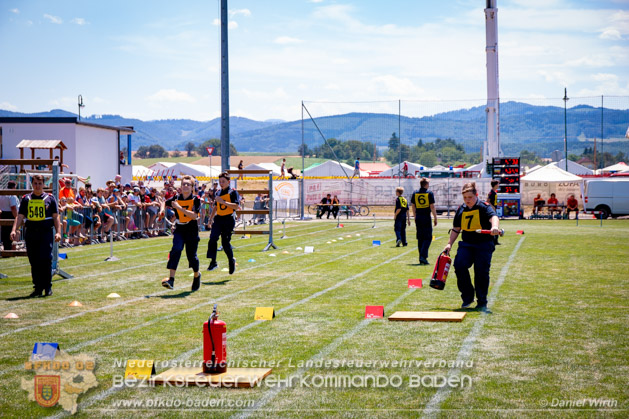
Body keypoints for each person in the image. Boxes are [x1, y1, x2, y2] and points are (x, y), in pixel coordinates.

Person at [443, 182, 501, 310]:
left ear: (476, 195)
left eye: (470, 197)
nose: (467, 200)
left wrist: (495, 227)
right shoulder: (461, 209)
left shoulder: (484, 207)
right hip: (467, 244)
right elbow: (456, 229)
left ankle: (482, 301)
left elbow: (494, 217)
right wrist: (449, 244)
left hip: (484, 244)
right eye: (465, 198)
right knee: (459, 265)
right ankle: (468, 296)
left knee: (481, 272)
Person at [10, 174, 62, 297]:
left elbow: (56, 217)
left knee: (46, 259)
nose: (37, 186)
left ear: (43, 184)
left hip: (45, 233)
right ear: (32, 184)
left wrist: (59, 232)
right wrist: (13, 230)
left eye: (40, 183)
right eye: (35, 184)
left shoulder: (50, 199)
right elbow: (20, 216)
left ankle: (47, 286)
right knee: (34, 261)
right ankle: (37, 287)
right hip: (31, 233)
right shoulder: (26, 199)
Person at [160, 175, 202, 291]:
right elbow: (164, 202)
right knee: (176, 249)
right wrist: (161, 210)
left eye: (188, 184)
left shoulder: (196, 199)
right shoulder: (176, 198)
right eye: (184, 184)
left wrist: (179, 208)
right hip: (180, 228)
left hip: (191, 229)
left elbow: (194, 216)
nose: (186, 186)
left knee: (191, 256)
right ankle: (171, 280)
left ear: (192, 187)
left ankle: (197, 275)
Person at [206, 172, 239, 275]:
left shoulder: (233, 192)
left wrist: (223, 202)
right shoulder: (218, 192)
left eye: (223, 181)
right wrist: (210, 219)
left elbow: (236, 206)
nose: (221, 183)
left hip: (228, 219)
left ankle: (231, 260)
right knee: (212, 238)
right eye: (220, 181)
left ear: (229, 182)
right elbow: (215, 207)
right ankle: (213, 262)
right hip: (218, 219)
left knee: (225, 243)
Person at [411, 178, 438, 265]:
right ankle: (423, 256)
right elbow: (432, 206)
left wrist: (415, 216)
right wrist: (435, 217)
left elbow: (413, 206)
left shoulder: (415, 193)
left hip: (418, 216)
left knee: (420, 237)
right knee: (428, 237)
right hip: (426, 217)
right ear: (426, 185)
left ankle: (421, 257)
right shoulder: (429, 193)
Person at [0, 180, 19, 251]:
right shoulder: (12, 195)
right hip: (11, 214)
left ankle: (6, 249)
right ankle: (11, 250)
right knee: (12, 233)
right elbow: (13, 207)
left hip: (3, 214)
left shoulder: (3, 194)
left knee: (5, 233)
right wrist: (17, 217)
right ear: (14, 187)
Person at [487, 179, 500, 245]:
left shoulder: (494, 192)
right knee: (494, 224)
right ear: (495, 185)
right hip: (492, 210)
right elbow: (488, 201)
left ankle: (495, 240)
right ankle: (494, 240)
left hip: (494, 209)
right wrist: (493, 207)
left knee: (496, 224)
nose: (498, 185)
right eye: (497, 184)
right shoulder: (491, 193)